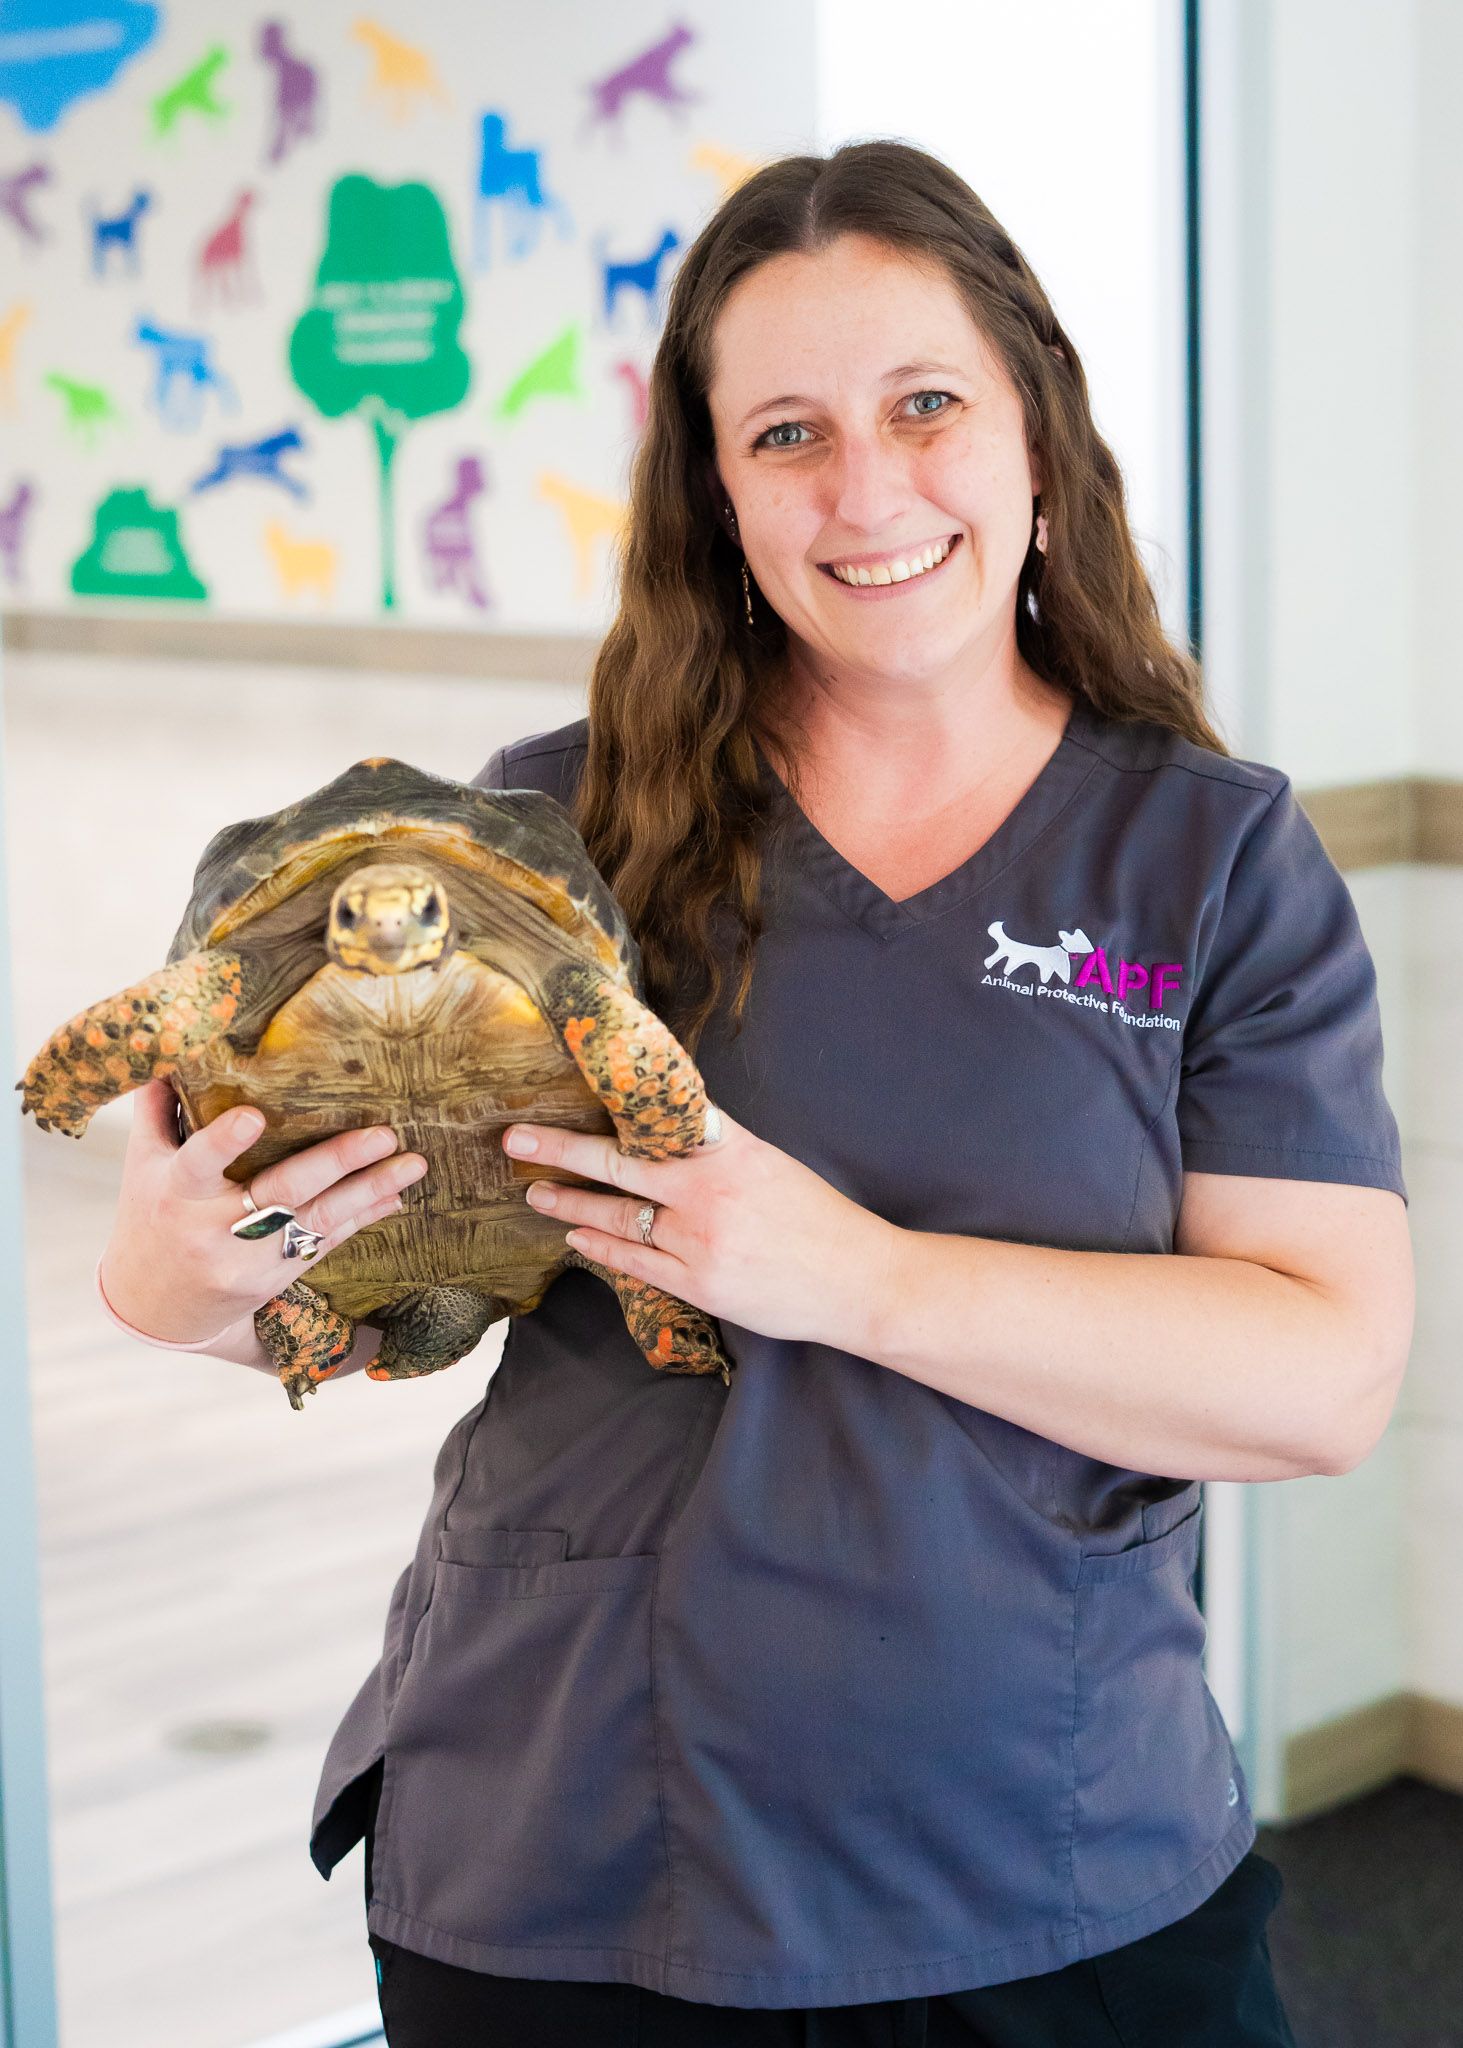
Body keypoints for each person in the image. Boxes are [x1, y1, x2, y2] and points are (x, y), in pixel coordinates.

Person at [97, 142, 1413, 2045]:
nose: (866, 490)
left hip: (1047, 1849)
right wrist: (182, 1279)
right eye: (787, 434)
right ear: (716, 493)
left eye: (927, 405)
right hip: (572, 1847)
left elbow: (1324, 1381)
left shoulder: (1207, 862)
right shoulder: (554, 827)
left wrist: (850, 1274)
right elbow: (362, 1280)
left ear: (1036, 433)